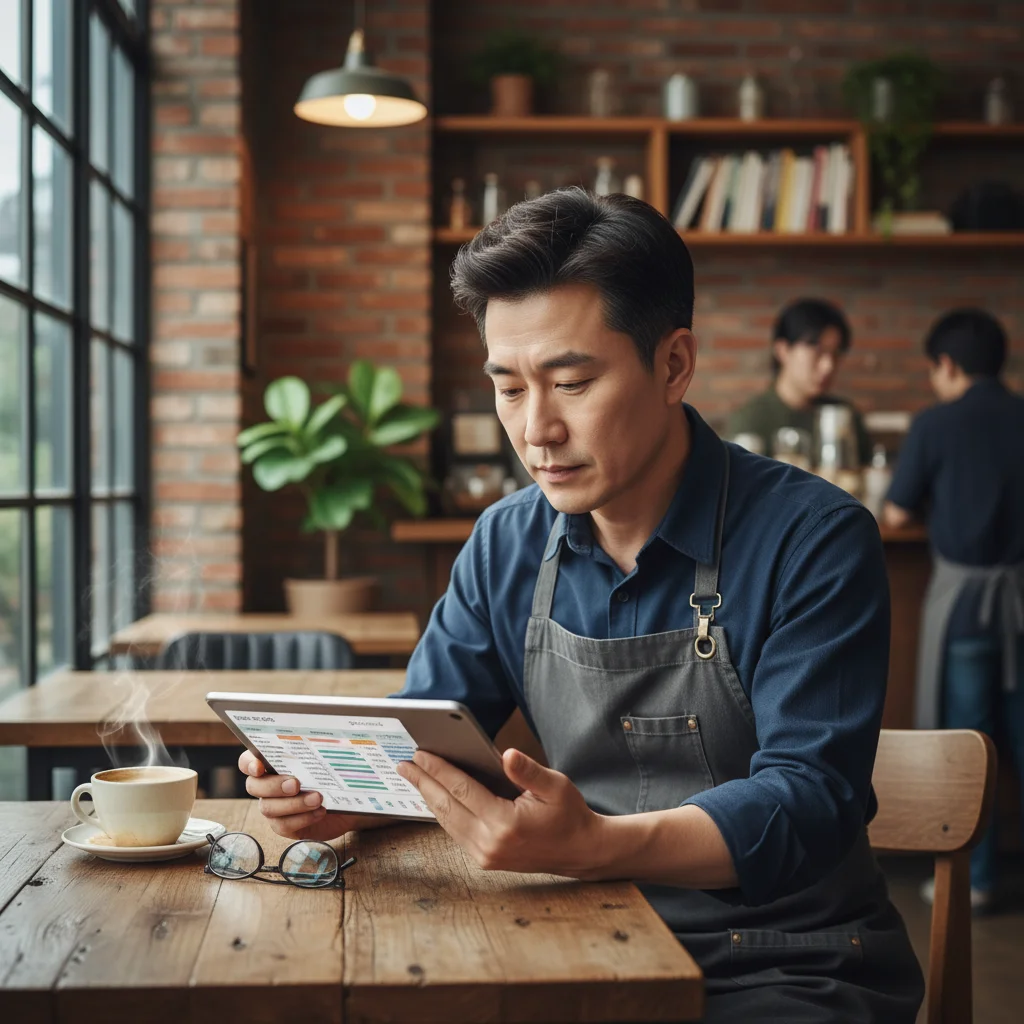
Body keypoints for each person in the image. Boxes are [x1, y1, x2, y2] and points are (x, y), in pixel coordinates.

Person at [241, 190, 923, 1022]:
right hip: (575, 935)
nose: (537, 431)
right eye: (509, 388)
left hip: (786, 962)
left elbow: (810, 800)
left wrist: (596, 845)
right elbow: (429, 743)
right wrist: (338, 793)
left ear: (673, 365)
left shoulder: (813, 538)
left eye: (570, 383)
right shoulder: (504, 542)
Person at [884, 308, 1024, 912]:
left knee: (973, 746)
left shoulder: (936, 424)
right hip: (1020, 605)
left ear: (945, 364)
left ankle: (978, 880)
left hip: (966, 611)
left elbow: (893, 513)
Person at [726, 298, 872, 463]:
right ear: (783, 350)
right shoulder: (751, 420)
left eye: (835, 354)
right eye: (818, 351)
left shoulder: (844, 416)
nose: (828, 366)